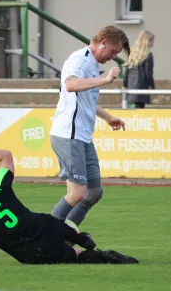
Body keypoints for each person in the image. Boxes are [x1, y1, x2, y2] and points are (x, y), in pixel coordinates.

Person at [0, 147, 138, 266]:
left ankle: (94, 254)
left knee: (76, 256)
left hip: (32, 252)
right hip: (45, 226)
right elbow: (6, 155)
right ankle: (85, 240)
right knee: (65, 230)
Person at [50, 25, 130, 231]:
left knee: (93, 192)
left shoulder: (92, 64)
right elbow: (71, 85)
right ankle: (47, 234)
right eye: (113, 51)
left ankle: (67, 231)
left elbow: (87, 101)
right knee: (77, 193)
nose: (113, 57)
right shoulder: (80, 60)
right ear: (103, 42)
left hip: (82, 136)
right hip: (69, 134)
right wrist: (105, 80)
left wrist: (108, 117)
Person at [123, 31, 155, 109]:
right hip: (141, 90)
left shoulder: (132, 54)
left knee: (132, 112)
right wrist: (153, 86)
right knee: (139, 113)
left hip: (131, 91)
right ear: (146, 41)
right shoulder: (148, 55)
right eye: (152, 41)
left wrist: (125, 85)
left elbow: (126, 73)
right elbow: (148, 73)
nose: (153, 43)